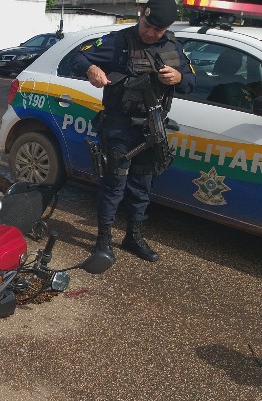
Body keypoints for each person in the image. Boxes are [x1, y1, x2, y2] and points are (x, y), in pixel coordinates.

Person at [70, 0, 195, 262]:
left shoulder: (174, 46)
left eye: (157, 30)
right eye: (147, 26)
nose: (150, 33)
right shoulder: (118, 41)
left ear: (168, 28)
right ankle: (103, 240)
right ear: (141, 15)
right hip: (119, 127)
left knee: (142, 185)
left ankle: (133, 236)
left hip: (153, 128)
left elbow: (192, 80)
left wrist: (179, 78)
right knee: (113, 184)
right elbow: (77, 56)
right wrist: (90, 69)